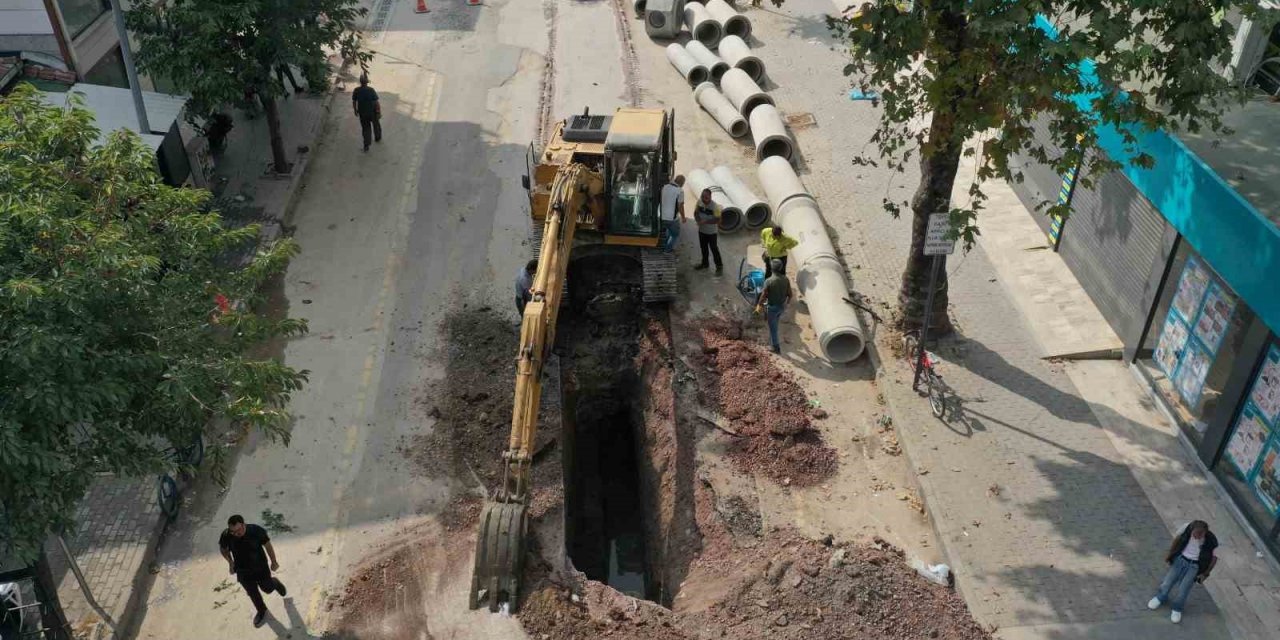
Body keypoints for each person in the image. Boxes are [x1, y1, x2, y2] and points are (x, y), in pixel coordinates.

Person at [219, 514, 286, 628]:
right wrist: (230, 562)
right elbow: (223, 549)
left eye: (239, 530)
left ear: (244, 525)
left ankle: (274, 583)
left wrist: (273, 561)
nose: (236, 534)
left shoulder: (255, 530)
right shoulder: (227, 535)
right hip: (242, 570)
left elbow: (268, 545)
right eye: (233, 531)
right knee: (252, 593)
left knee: (267, 589)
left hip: (260, 567)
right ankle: (261, 610)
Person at [1148, 520, 1218, 624]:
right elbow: (1177, 540)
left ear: (1204, 533)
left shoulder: (1210, 540)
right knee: (1168, 581)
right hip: (1181, 560)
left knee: (1184, 588)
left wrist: (1205, 573)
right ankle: (1161, 597)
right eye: (1194, 534)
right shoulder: (1186, 528)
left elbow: (1213, 558)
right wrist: (1170, 554)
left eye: (1199, 535)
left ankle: (1177, 608)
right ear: (1192, 529)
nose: (1196, 537)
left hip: (1194, 565)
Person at [756, 259, 792, 353]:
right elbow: (790, 295)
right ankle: (772, 341)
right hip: (781, 307)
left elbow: (763, 296)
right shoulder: (785, 279)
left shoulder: (769, 281)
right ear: (781, 268)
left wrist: (758, 306)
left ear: (771, 269)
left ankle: (776, 348)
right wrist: (786, 304)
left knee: (773, 329)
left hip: (772, 308)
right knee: (775, 323)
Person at [693, 188, 723, 274]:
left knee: (714, 249)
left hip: (712, 233)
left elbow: (719, 220)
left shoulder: (715, 207)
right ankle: (705, 264)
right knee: (703, 248)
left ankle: (719, 266)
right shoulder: (699, 202)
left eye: (706, 197)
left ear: (710, 197)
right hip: (702, 231)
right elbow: (695, 213)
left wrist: (705, 222)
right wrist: (698, 220)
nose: (704, 199)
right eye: (702, 196)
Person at [352, 74, 382, 152]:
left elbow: (354, 101)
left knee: (366, 129)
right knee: (376, 125)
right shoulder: (371, 90)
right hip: (373, 112)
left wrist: (355, 110)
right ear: (367, 82)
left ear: (360, 82)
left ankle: (366, 145)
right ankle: (378, 137)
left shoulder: (356, 90)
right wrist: (378, 111)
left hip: (363, 113)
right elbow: (376, 102)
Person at [659, 175, 687, 252]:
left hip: (662, 216)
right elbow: (680, 206)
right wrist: (683, 218)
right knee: (675, 234)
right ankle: (667, 249)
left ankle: (664, 245)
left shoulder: (664, 187)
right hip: (672, 218)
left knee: (668, 230)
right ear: (682, 183)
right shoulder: (680, 191)